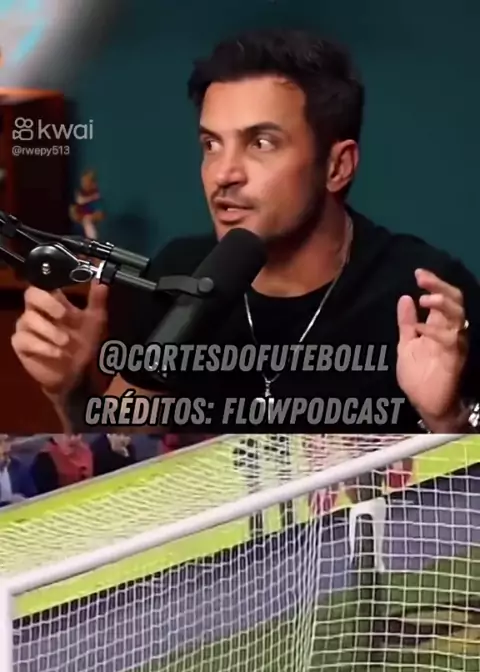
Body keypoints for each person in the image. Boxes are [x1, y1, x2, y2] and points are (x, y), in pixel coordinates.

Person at [11, 28, 480, 434]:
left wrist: (446, 421)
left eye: (261, 142)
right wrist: (73, 391)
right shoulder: (176, 274)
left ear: (338, 166)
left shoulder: (425, 297)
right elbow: (122, 460)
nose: (224, 174)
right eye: (211, 144)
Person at [0, 434, 35, 506]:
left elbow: (33, 495)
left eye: (8, 440)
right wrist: (7, 502)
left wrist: (24, 500)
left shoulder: (18, 466)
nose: (6, 447)